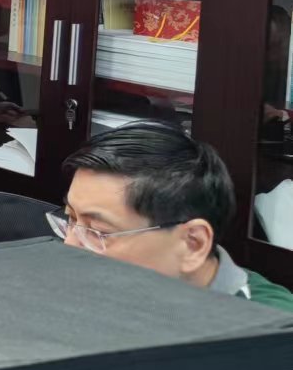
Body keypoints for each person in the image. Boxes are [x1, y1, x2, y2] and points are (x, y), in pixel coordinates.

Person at [54, 122, 293, 311]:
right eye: (71, 219)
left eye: (98, 232)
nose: (69, 244)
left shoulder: (269, 333)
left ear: (193, 244)